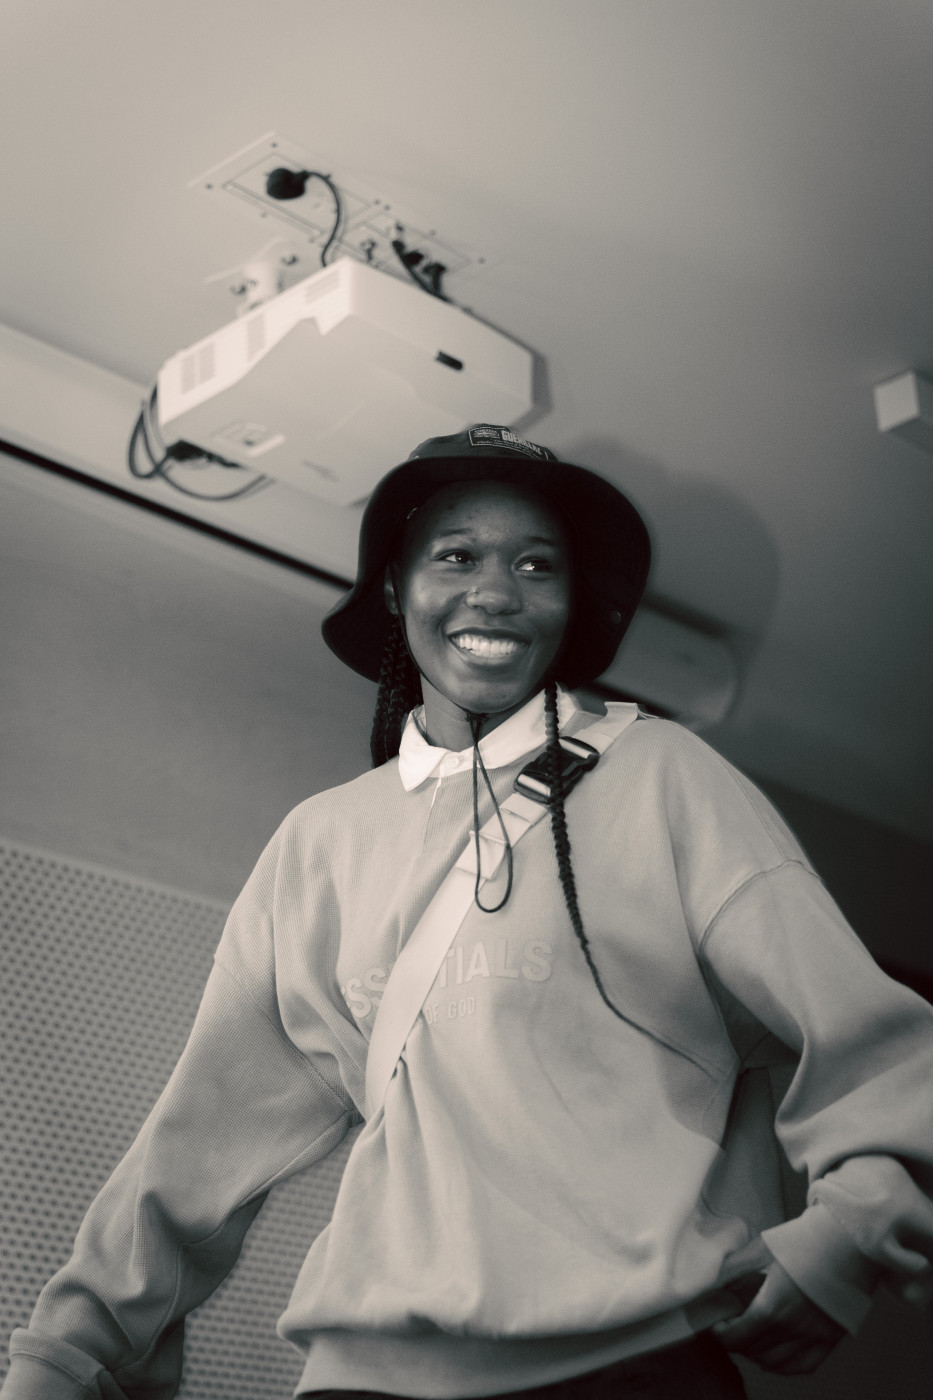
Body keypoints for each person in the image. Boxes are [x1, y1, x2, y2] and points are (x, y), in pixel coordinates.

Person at [4, 423, 933, 1400]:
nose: (495, 591)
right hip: (360, 1378)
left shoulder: (664, 777)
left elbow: (877, 1040)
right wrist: (68, 1353)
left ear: (571, 603)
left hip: (629, 1365)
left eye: (537, 564)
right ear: (395, 588)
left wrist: (854, 1227)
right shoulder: (321, 841)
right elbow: (197, 1140)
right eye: (456, 555)